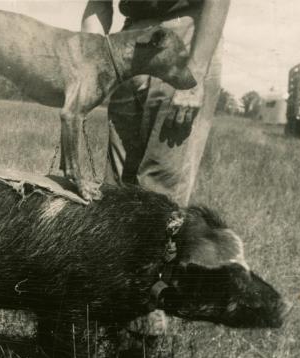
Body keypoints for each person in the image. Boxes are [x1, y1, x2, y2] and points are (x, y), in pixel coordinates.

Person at [81, 0, 230, 339]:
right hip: (129, 41)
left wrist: (194, 74)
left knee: (160, 192)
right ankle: (109, 310)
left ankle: (144, 324)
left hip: (185, 36)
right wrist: (88, 63)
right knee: (117, 189)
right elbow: (97, 5)